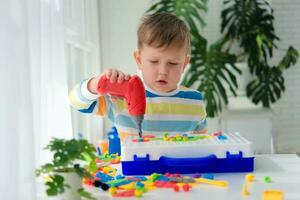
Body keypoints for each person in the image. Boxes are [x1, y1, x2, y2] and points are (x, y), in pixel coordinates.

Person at [69, 13, 207, 140]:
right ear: (139, 60)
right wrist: (95, 84)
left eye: (173, 63)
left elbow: (202, 146)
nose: (163, 71)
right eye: (154, 61)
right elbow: (76, 102)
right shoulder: (119, 98)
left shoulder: (194, 101)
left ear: (184, 64)